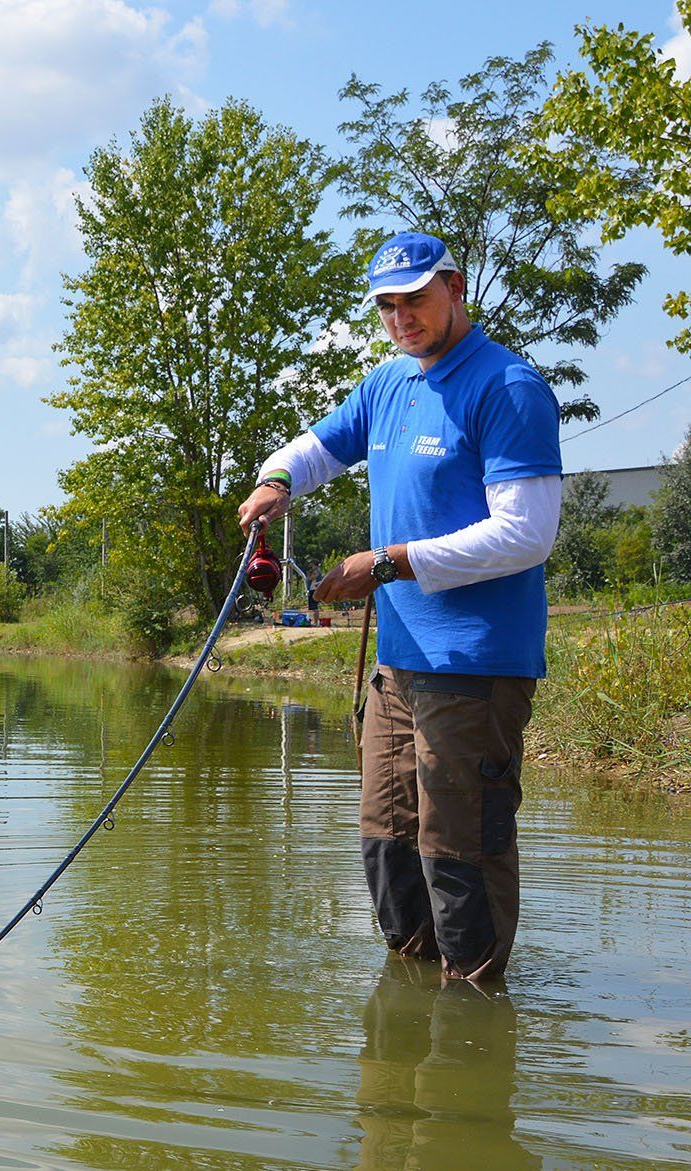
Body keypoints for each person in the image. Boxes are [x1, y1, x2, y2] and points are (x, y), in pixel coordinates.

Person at [236, 232, 563, 983]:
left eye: (414, 297)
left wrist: (388, 563)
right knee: (389, 852)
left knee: (460, 858)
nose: (400, 316)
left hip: (475, 666)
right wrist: (277, 478)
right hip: (398, 667)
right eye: (387, 304)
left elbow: (526, 533)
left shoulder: (508, 387)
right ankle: (405, 1040)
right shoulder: (389, 385)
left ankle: (470, 1036)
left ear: (455, 287)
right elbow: (318, 447)